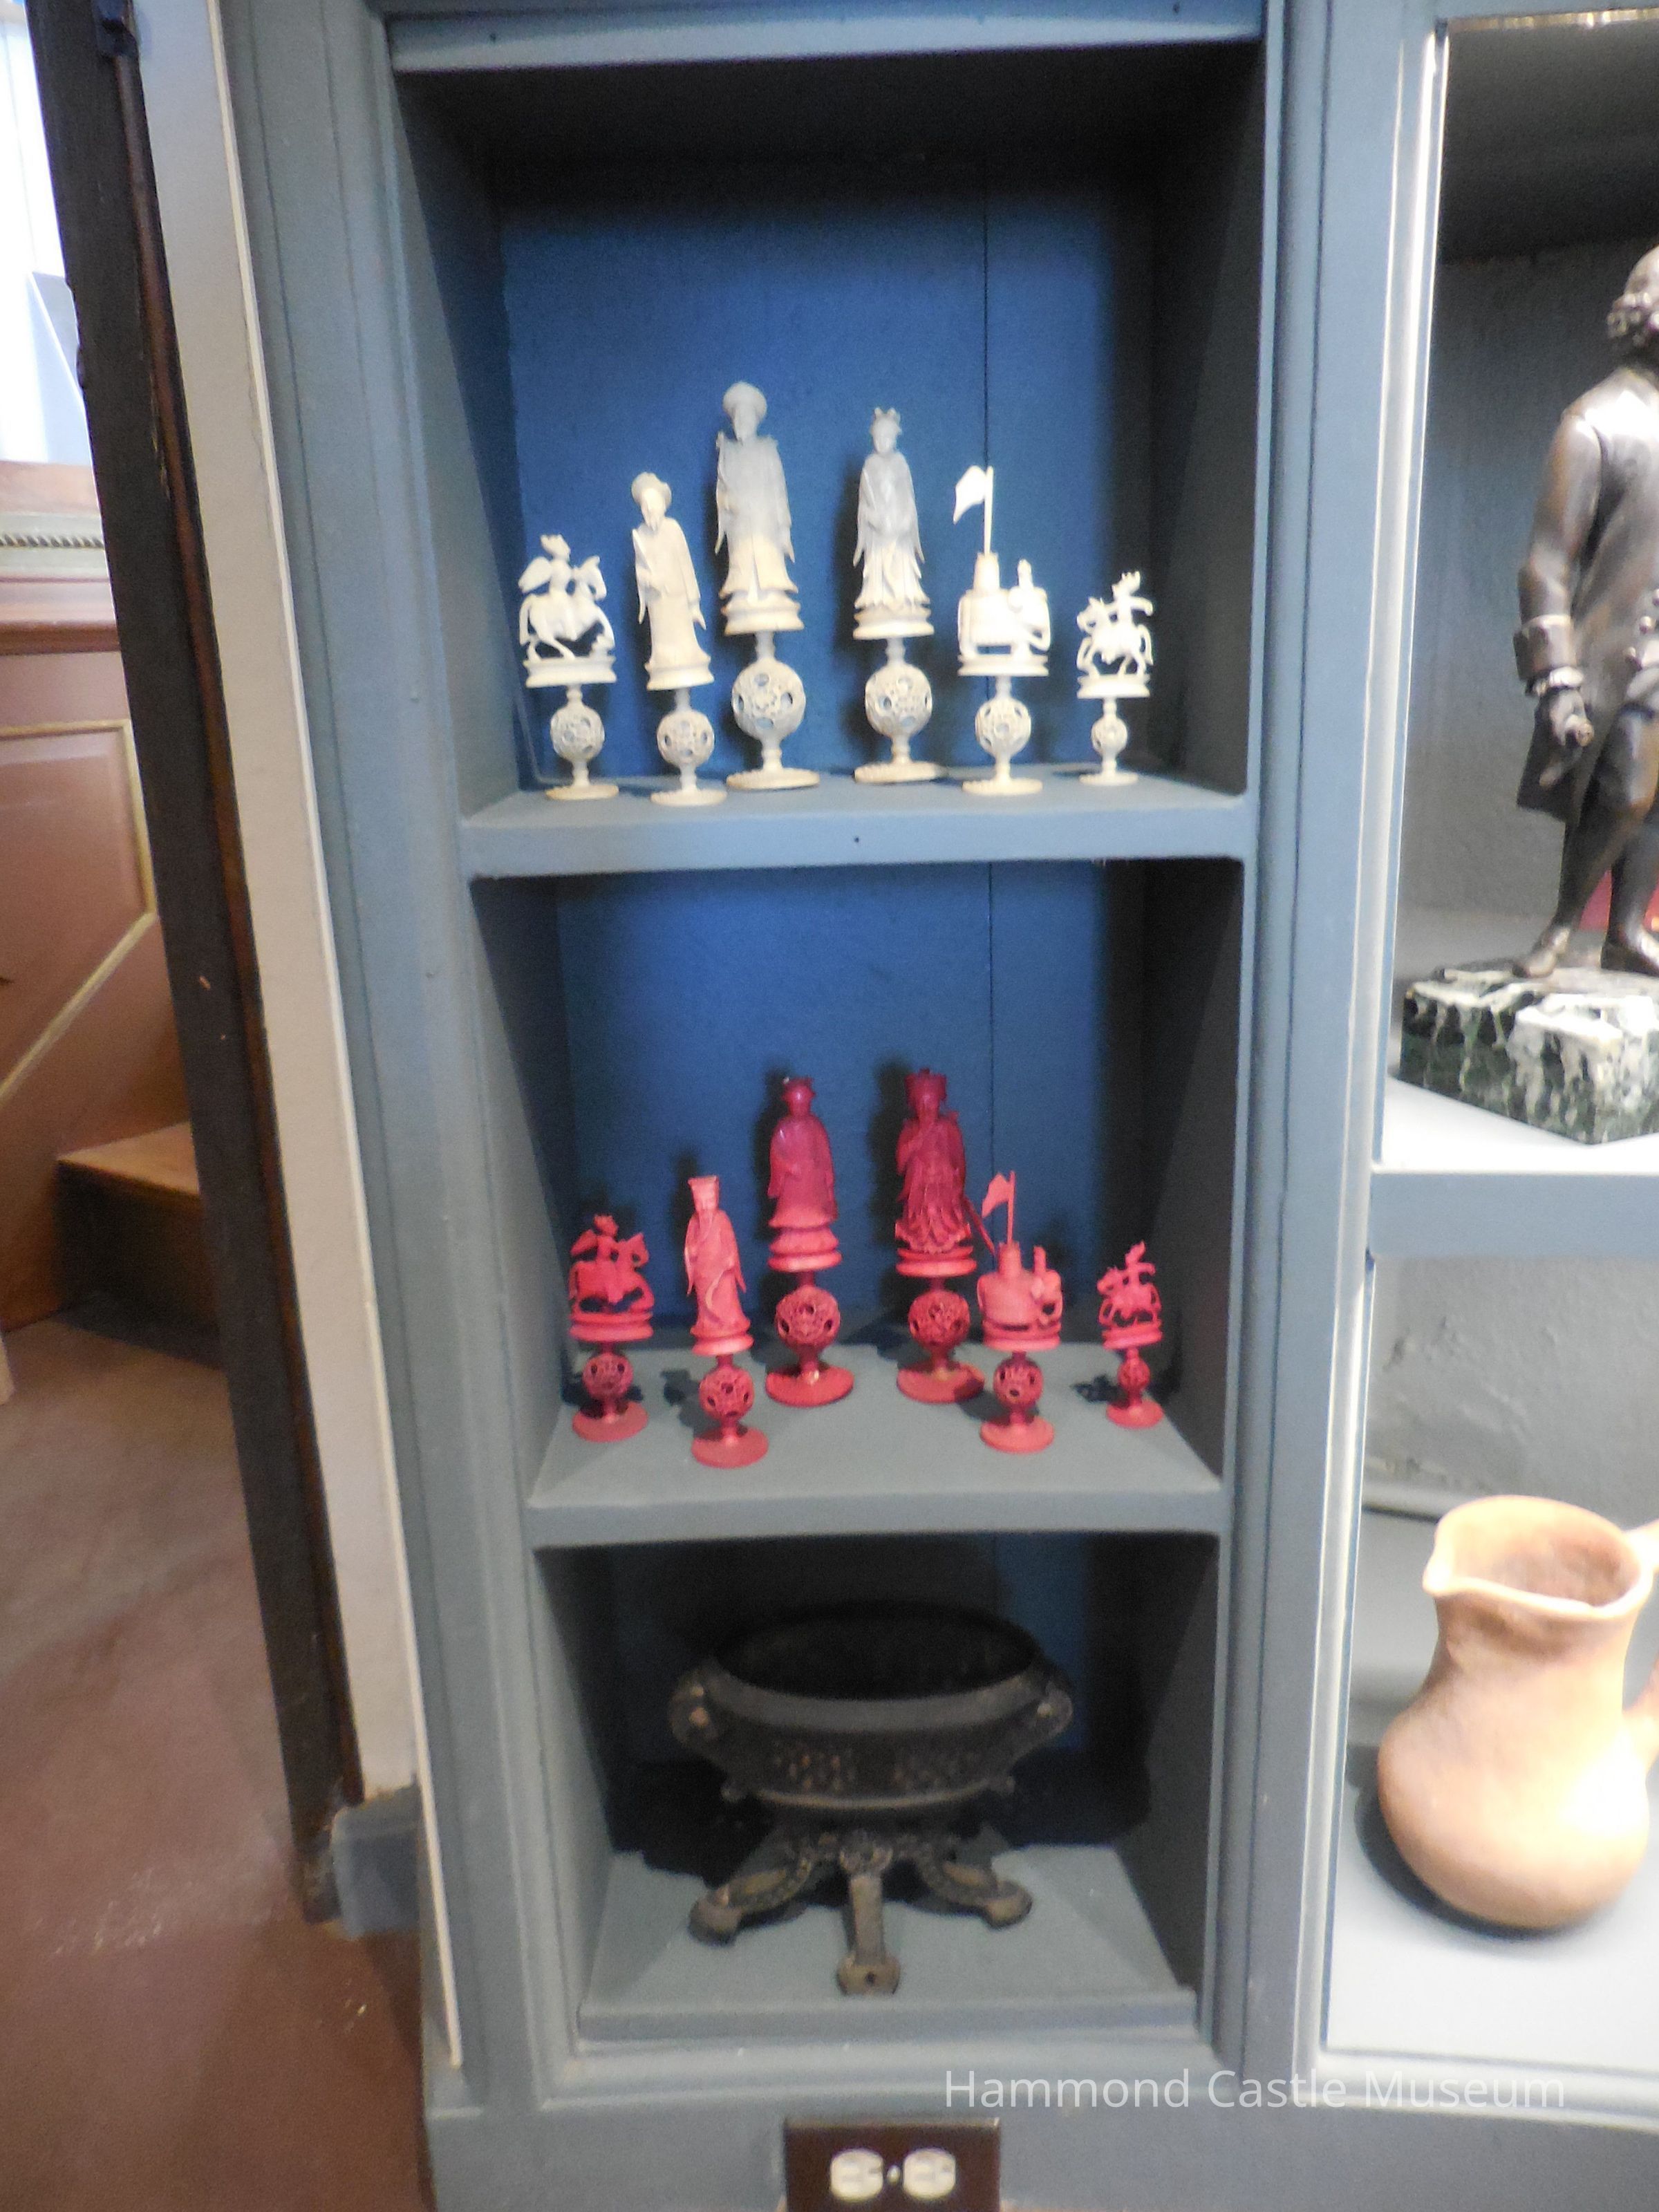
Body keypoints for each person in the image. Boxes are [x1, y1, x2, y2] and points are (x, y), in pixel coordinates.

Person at [1512, 243, 1659, 977]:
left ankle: (1627, 931)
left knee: (1656, 799)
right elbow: (1546, 565)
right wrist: (1557, 678)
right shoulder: (1594, 423)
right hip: (1626, 654)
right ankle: (1564, 924)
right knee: (1625, 791)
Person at [714, 382, 798, 626]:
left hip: (765, 525)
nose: (742, 423)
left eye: (747, 418)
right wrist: (729, 502)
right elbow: (722, 492)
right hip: (741, 529)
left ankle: (770, 595)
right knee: (743, 565)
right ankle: (746, 597)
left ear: (756, 421)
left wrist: (784, 529)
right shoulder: (728, 455)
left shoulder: (767, 451)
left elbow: (779, 491)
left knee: (767, 561)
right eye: (738, 419)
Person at [630, 473, 712, 686]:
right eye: (645, 506)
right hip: (658, 602)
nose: (649, 509)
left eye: (653, 504)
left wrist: (693, 604)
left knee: (684, 642)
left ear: (662, 505)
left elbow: (686, 567)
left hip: (677, 598)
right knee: (663, 646)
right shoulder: (641, 534)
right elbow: (640, 569)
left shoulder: (673, 529)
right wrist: (648, 579)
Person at [854, 408, 928, 623]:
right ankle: (880, 599)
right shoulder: (869, 465)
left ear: (895, 439)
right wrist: (871, 517)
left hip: (899, 530)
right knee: (880, 565)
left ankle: (902, 599)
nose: (882, 442)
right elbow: (865, 500)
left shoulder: (900, 464)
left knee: (900, 562)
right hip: (879, 533)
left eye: (887, 437)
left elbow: (907, 497)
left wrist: (907, 520)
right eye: (878, 438)